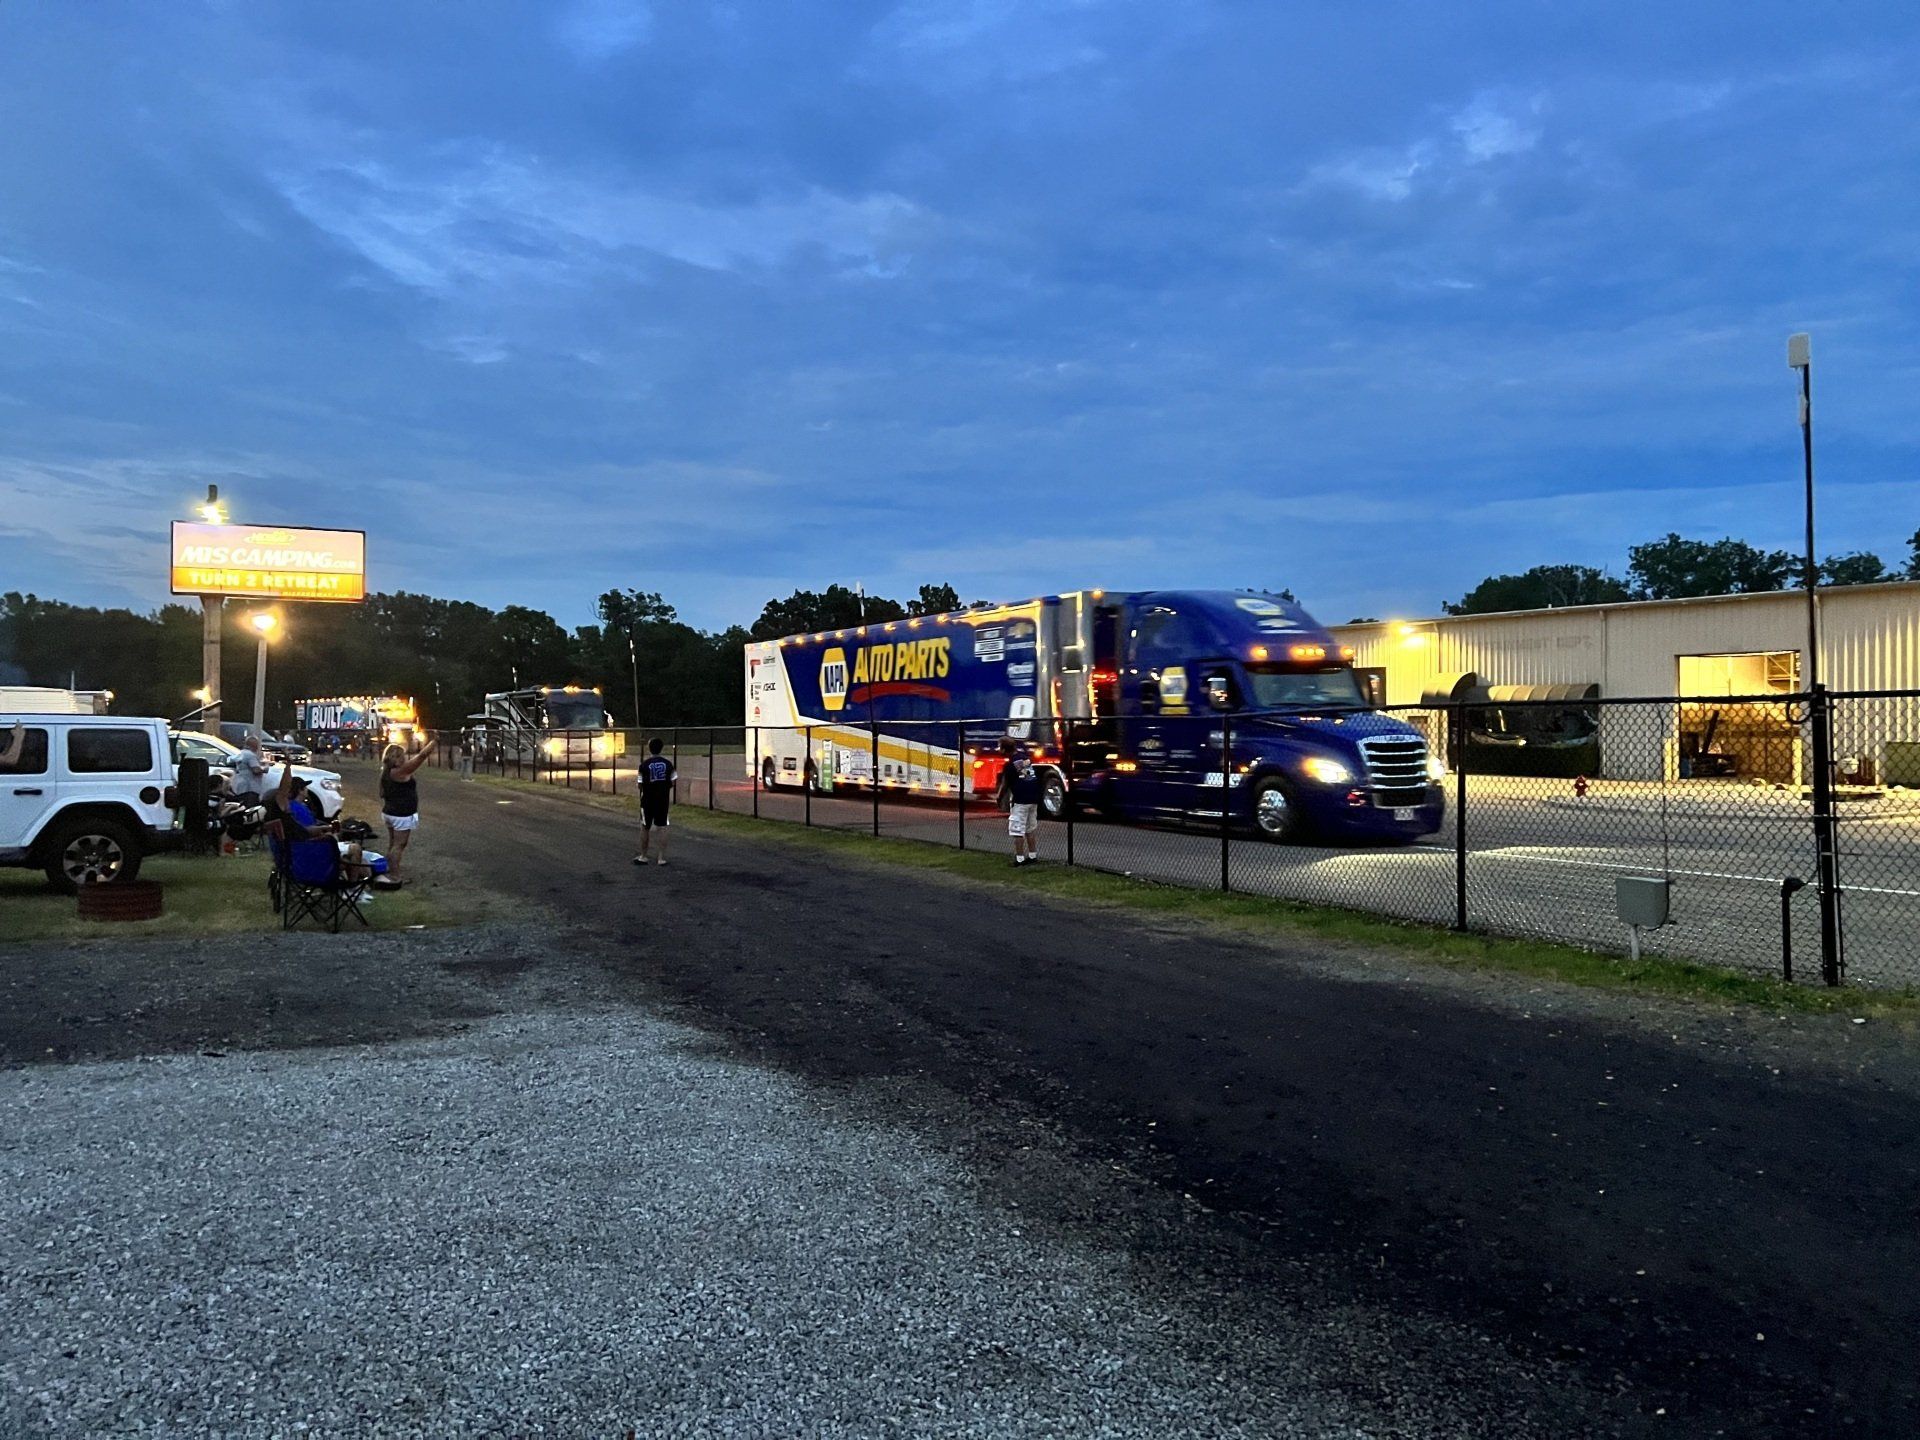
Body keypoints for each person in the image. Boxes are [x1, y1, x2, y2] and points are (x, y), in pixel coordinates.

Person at [377, 737, 436, 888]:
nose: (405, 758)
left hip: (390, 811)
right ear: (395, 758)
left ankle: (391, 871)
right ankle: (395, 876)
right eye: (402, 756)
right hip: (400, 814)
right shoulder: (400, 771)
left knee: (393, 844)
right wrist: (434, 741)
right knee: (399, 845)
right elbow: (422, 756)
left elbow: (382, 793)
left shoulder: (386, 772)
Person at [633, 738, 676, 867]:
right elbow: (673, 781)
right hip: (662, 799)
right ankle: (661, 858)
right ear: (661, 748)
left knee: (645, 827)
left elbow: (639, 784)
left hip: (647, 800)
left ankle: (643, 856)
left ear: (649, 748)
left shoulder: (644, 765)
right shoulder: (668, 764)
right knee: (662, 826)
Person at [1005, 747, 1043, 867]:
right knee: (1030, 829)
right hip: (1033, 798)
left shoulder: (1010, 765)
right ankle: (1032, 856)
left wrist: (1001, 797)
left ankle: (1020, 859)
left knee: (1018, 830)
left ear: (1003, 749)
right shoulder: (1026, 758)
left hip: (1020, 800)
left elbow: (1007, 783)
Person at [230, 734, 270, 805]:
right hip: (250, 787)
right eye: (257, 745)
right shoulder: (250, 755)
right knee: (250, 806)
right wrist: (266, 767)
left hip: (241, 785)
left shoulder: (241, 753)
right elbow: (256, 770)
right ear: (254, 745)